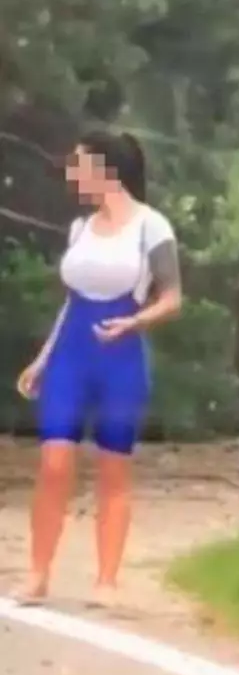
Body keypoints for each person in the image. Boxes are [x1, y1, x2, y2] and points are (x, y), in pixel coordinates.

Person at [12, 129, 184, 608]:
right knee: (53, 463)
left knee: (113, 468)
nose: (71, 174)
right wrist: (44, 359)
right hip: (71, 356)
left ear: (106, 170)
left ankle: (106, 580)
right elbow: (72, 303)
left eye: (78, 165)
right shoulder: (80, 229)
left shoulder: (152, 226)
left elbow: (171, 297)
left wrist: (134, 322)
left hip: (121, 358)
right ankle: (38, 574)